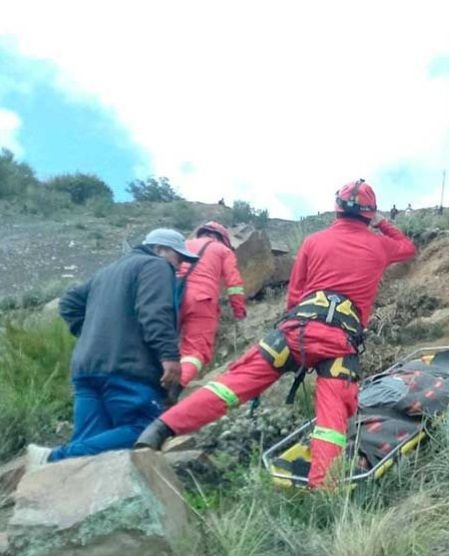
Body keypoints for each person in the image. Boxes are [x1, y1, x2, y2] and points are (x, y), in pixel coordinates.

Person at [135, 180, 417, 488]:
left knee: (233, 383)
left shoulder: (313, 241)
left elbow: (295, 294)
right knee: (332, 418)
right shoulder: (379, 245)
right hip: (339, 340)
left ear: (337, 208)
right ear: (369, 213)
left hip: (295, 330)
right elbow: (407, 247)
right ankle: (324, 489)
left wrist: (299, 337)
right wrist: (382, 223)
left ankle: (160, 429)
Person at [25, 229, 198, 470]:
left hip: (87, 369)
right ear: (160, 249)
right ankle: (53, 459)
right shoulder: (156, 265)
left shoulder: (107, 271)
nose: (179, 266)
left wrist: (93, 333)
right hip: (127, 368)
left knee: (90, 447)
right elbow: (155, 313)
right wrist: (168, 355)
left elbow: (69, 304)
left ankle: (62, 481)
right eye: (178, 258)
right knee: (144, 429)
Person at [178, 221, 247, 387]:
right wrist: (239, 311)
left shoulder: (184, 244)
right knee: (195, 352)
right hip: (202, 301)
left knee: (161, 344)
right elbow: (234, 284)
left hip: (171, 296)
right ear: (222, 238)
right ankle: (172, 389)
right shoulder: (223, 250)